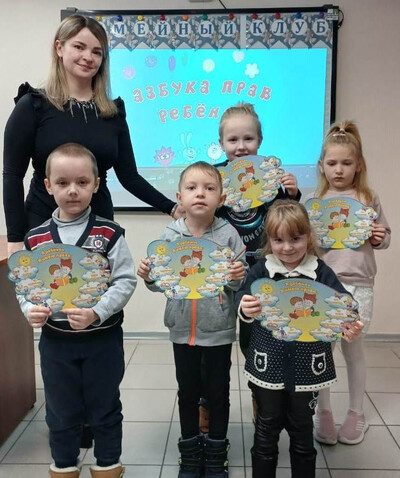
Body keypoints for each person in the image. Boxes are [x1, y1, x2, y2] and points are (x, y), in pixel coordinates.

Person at [3, 14, 182, 259]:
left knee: (100, 285)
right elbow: (12, 175)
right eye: (79, 47)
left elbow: (129, 176)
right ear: (59, 48)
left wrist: (172, 208)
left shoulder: (112, 112)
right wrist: (14, 238)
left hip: (99, 230)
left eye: (97, 52)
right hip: (42, 226)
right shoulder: (33, 105)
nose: (88, 57)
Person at [16, 143, 137, 478]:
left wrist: (97, 312)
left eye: (82, 182)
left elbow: (125, 281)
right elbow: (25, 286)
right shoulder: (35, 240)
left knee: (104, 406)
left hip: (102, 340)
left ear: (96, 185)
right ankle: (64, 465)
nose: (73, 190)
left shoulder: (109, 234)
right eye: (63, 182)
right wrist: (30, 309)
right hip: (56, 342)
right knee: (60, 409)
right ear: (48, 185)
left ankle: (108, 464)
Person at [235, 200, 364, 477]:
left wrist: (350, 322)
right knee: (266, 427)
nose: (287, 247)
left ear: (308, 236)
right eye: (278, 240)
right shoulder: (261, 270)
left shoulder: (320, 271)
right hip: (267, 366)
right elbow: (242, 298)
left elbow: (344, 303)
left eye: (295, 238)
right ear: (269, 240)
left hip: (308, 367)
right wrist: (245, 307)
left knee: (302, 429)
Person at [137, 161, 247, 477]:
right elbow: (160, 284)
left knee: (218, 393)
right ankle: (189, 451)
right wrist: (149, 276)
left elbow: (238, 283)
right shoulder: (170, 236)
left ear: (221, 199)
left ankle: (216, 452)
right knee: (187, 393)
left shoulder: (229, 235)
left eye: (209, 188)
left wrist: (236, 276)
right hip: (181, 329)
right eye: (192, 188)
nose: (200, 194)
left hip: (218, 329)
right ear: (180, 197)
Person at [306, 121, 391, 445]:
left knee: (353, 349)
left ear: (359, 165)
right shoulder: (315, 200)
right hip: (323, 287)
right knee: (321, 351)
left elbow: (384, 237)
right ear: (321, 166)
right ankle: (323, 413)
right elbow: (304, 244)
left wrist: (379, 237)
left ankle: (356, 413)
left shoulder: (368, 198)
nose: (338, 169)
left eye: (346, 163)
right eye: (332, 163)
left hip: (358, 286)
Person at [216, 103, 300, 356]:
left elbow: (283, 217)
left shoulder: (269, 176)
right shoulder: (215, 177)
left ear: (260, 140)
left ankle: (258, 376)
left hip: (263, 266)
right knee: (218, 333)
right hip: (224, 267)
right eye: (233, 140)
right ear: (221, 143)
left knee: (256, 332)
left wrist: (291, 195)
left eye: (248, 139)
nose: (241, 146)